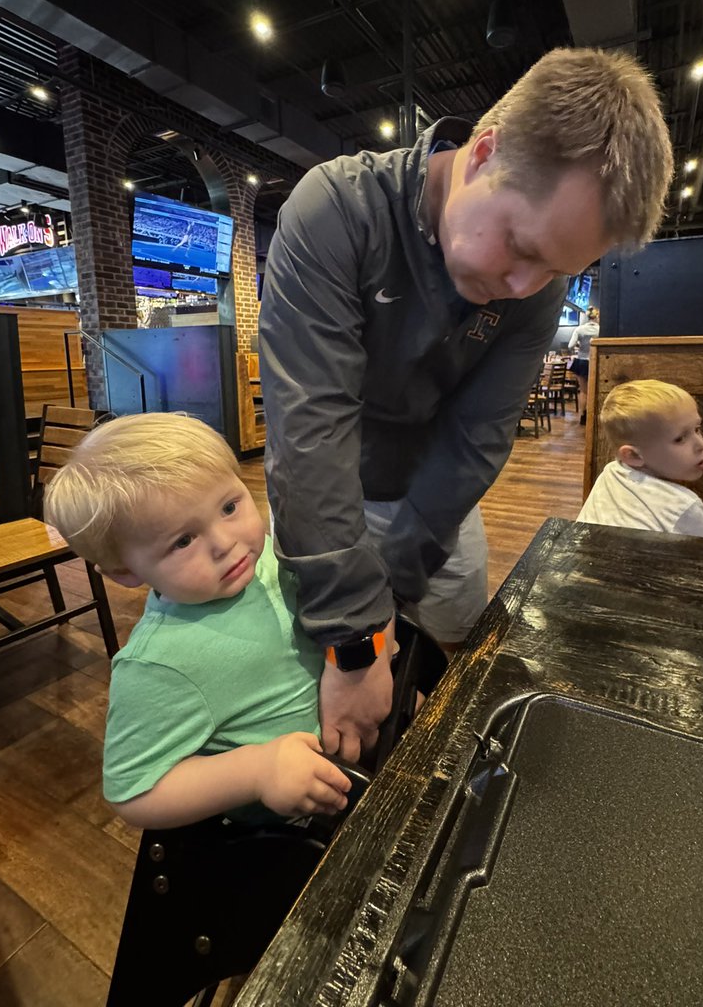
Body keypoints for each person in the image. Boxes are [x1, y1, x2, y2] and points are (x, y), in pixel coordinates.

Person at [260, 46, 674, 762]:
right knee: (318, 693)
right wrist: (358, 642)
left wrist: (384, 616)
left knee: (452, 670)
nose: (525, 286)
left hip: (435, 502)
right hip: (326, 496)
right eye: (519, 246)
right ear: (483, 152)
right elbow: (309, 436)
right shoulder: (335, 209)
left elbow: (476, 440)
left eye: (554, 269)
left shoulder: (532, 286)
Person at [43, 412, 352, 829]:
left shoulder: (270, 558)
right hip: (299, 829)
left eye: (229, 507)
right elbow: (133, 791)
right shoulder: (159, 665)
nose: (227, 543)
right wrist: (257, 772)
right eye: (183, 541)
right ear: (125, 573)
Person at [577, 379, 703, 538]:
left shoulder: (610, 473)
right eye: (679, 439)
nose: (702, 445)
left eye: (697, 429)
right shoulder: (682, 508)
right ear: (633, 455)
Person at [567, 306, 600, 424]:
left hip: (581, 361)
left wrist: (579, 348)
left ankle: (582, 416)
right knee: (594, 390)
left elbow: (570, 346)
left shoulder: (579, 329)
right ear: (597, 316)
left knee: (583, 391)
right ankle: (593, 416)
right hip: (595, 361)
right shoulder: (600, 330)